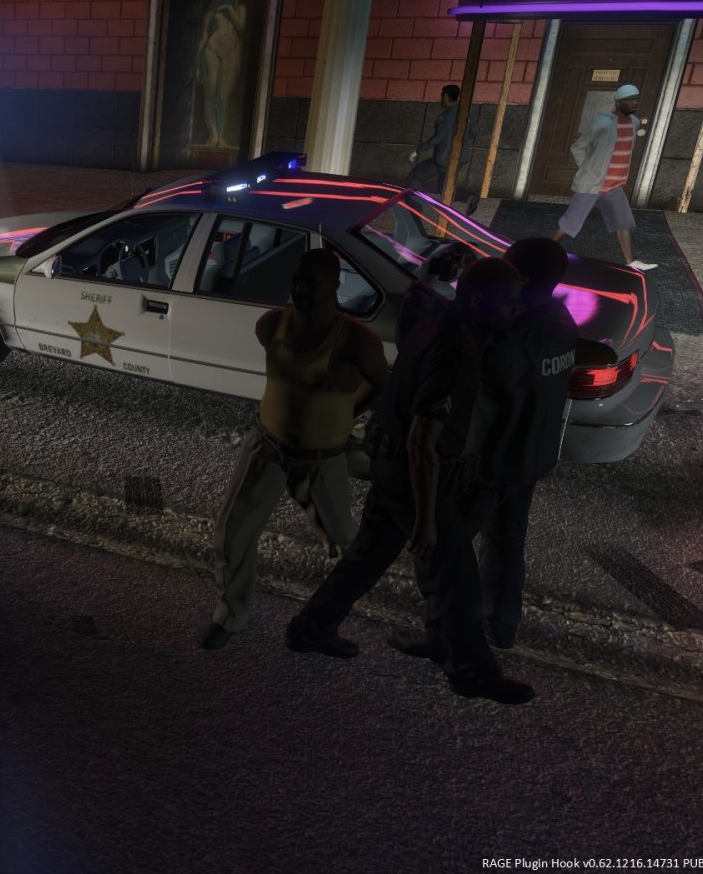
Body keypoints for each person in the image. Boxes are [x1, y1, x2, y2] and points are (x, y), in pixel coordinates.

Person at [285, 258, 538, 705]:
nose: (514, 311)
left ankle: (310, 628)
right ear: (479, 302)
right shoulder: (457, 351)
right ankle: (470, 672)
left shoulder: (434, 319)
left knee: (367, 556)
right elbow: (423, 440)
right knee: (456, 572)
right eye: (508, 304)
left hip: (389, 462)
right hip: (411, 472)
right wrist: (425, 519)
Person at [200, 248, 389, 650]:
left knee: (345, 544)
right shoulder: (272, 325)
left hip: (320, 459)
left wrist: (348, 413)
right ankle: (229, 617)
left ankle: (322, 623)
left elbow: (382, 383)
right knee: (232, 533)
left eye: (311, 283)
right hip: (266, 447)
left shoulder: (357, 341)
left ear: (334, 285)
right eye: (297, 281)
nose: (301, 290)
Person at [474, 238, 579, 649]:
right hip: (532, 456)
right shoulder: (561, 319)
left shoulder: (518, 334)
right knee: (506, 543)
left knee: (449, 543)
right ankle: (501, 626)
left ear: (520, 277)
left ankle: (450, 630)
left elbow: (488, 372)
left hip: (495, 460)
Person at [552, 84, 658, 272]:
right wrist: (587, 168)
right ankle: (543, 252)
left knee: (623, 222)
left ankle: (630, 262)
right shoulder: (602, 122)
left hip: (614, 186)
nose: (634, 103)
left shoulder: (634, 122)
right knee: (569, 225)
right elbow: (578, 147)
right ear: (618, 102)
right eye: (630, 100)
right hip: (592, 185)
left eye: (636, 99)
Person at [408, 85, 481, 215]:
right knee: (444, 187)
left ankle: (415, 210)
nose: (441, 99)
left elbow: (437, 138)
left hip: (443, 159)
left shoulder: (445, 116)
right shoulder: (468, 113)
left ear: (446, 96)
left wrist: (418, 150)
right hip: (460, 158)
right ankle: (470, 197)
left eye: (442, 96)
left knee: (415, 176)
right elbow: (474, 132)